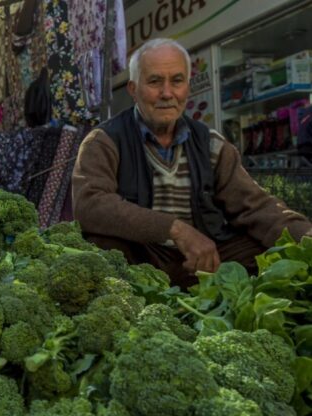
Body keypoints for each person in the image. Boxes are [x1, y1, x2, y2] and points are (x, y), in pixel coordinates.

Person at [72, 38, 312, 289]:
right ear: (133, 89)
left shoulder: (211, 144)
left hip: (202, 260)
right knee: (102, 244)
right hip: (142, 261)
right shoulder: (104, 141)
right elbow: (90, 204)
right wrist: (174, 229)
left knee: (268, 252)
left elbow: (255, 206)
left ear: (187, 86)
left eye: (176, 81)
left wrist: (304, 236)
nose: (167, 93)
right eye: (155, 81)